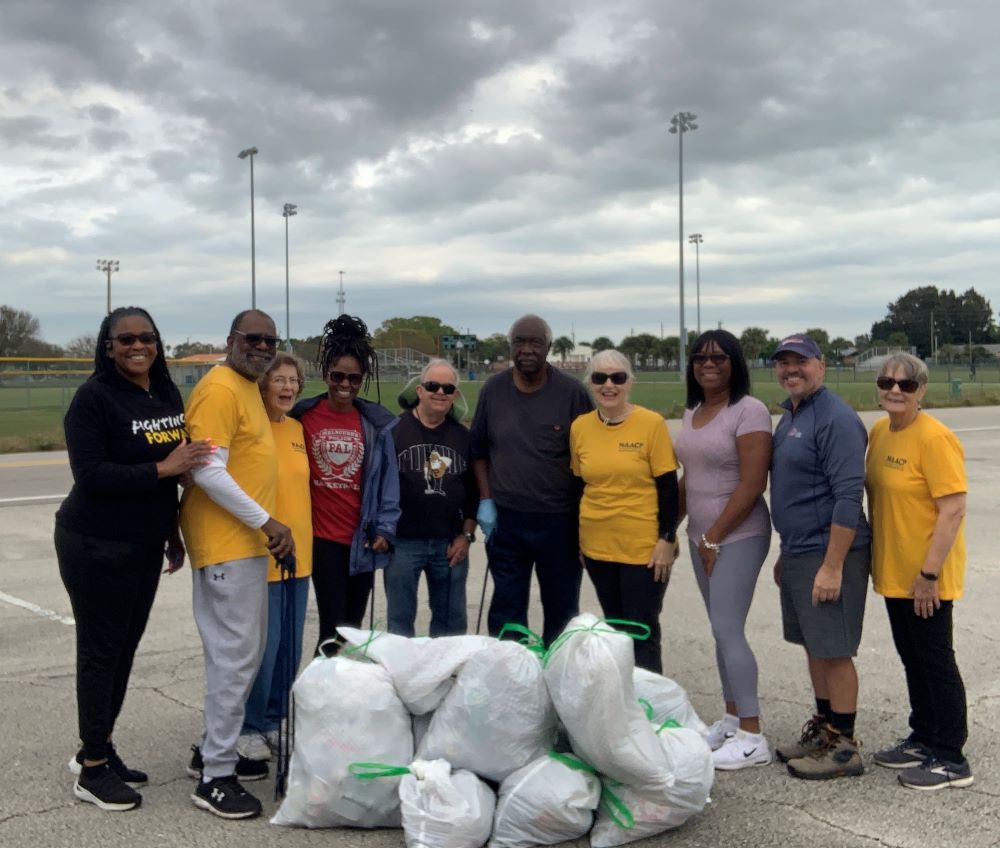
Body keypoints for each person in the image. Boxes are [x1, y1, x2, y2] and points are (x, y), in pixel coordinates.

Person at [56, 307, 211, 812]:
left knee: (123, 651)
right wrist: (162, 467)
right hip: (95, 543)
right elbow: (91, 474)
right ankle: (92, 770)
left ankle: (97, 748)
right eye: (125, 339)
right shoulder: (93, 399)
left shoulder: (164, 391)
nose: (137, 346)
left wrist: (172, 531)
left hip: (144, 543)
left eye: (146, 337)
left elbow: (177, 469)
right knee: (101, 653)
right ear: (108, 346)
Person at [180, 309, 294, 819]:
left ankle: (212, 751)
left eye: (271, 340)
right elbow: (206, 471)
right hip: (228, 542)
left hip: (243, 544)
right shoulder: (221, 388)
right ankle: (215, 777)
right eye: (255, 338)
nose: (264, 346)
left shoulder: (247, 385)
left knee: (238, 656)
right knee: (236, 658)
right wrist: (268, 522)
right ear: (232, 340)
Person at [866, 353, 973, 790]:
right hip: (894, 570)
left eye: (906, 385)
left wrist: (928, 575)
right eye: (887, 382)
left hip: (927, 575)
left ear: (921, 391)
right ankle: (923, 735)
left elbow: (953, 509)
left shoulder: (935, 438)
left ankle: (951, 756)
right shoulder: (880, 431)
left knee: (935, 661)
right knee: (912, 657)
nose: (895, 390)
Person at [769, 333, 871, 781]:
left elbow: (848, 497)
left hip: (830, 551)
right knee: (814, 645)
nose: (792, 370)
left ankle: (845, 747)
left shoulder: (836, 419)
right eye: (784, 363)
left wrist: (832, 565)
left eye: (801, 362)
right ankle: (825, 730)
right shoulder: (791, 414)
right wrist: (784, 552)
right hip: (798, 549)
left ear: (821, 365)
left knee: (834, 649)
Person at [674, 330, 773, 770]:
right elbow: (688, 478)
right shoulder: (693, 410)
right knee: (718, 629)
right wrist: (667, 531)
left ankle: (753, 736)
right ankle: (732, 719)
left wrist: (714, 536)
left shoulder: (748, 411)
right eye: (700, 358)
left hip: (738, 534)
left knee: (729, 627)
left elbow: (753, 484)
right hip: (700, 535)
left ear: (735, 363)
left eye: (718, 357)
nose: (708, 364)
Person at [470, 314, 593, 646]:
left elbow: (589, 456)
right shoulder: (493, 391)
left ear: (548, 347)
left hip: (560, 522)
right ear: (510, 347)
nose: (526, 349)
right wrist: (486, 499)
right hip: (507, 521)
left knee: (562, 610)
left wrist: (585, 519)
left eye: (534, 342)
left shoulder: (572, 393)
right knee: (507, 610)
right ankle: (512, 682)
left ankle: (559, 682)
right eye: (519, 342)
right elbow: (479, 450)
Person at [291, 315, 400, 653]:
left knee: (351, 630)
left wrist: (385, 528)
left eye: (354, 378)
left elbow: (387, 482)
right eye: (338, 376)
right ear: (326, 375)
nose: (345, 384)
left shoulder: (374, 424)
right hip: (323, 540)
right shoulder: (302, 417)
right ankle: (322, 695)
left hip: (361, 540)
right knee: (332, 626)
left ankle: (344, 696)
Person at [569, 349, 679, 673]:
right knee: (615, 630)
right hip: (597, 545)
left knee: (641, 630)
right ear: (590, 383)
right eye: (600, 378)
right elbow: (577, 486)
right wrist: (577, 538)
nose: (609, 385)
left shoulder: (651, 424)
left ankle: (649, 707)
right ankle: (621, 704)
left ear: (629, 382)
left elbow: (668, 487)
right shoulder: (581, 427)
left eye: (617, 377)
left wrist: (667, 538)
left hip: (642, 548)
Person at [236, 353, 312, 763]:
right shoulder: (252, 430)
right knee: (263, 649)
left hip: (300, 556)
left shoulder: (299, 429)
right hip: (262, 554)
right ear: (262, 385)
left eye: (293, 380)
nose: (287, 387)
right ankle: (248, 726)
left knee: (289, 647)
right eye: (278, 380)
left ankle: (273, 720)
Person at [385, 358, 478, 636]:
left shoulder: (463, 437)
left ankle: (447, 676)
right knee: (399, 623)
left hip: (449, 543)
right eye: (432, 385)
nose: (440, 392)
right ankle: (402, 677)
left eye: (448, 388)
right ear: (419, 391)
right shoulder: (393, 431)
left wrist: (467, 535)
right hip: (402, 542)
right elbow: (378, 487)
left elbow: (474, 491)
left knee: (451, 623)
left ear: (455, 396)